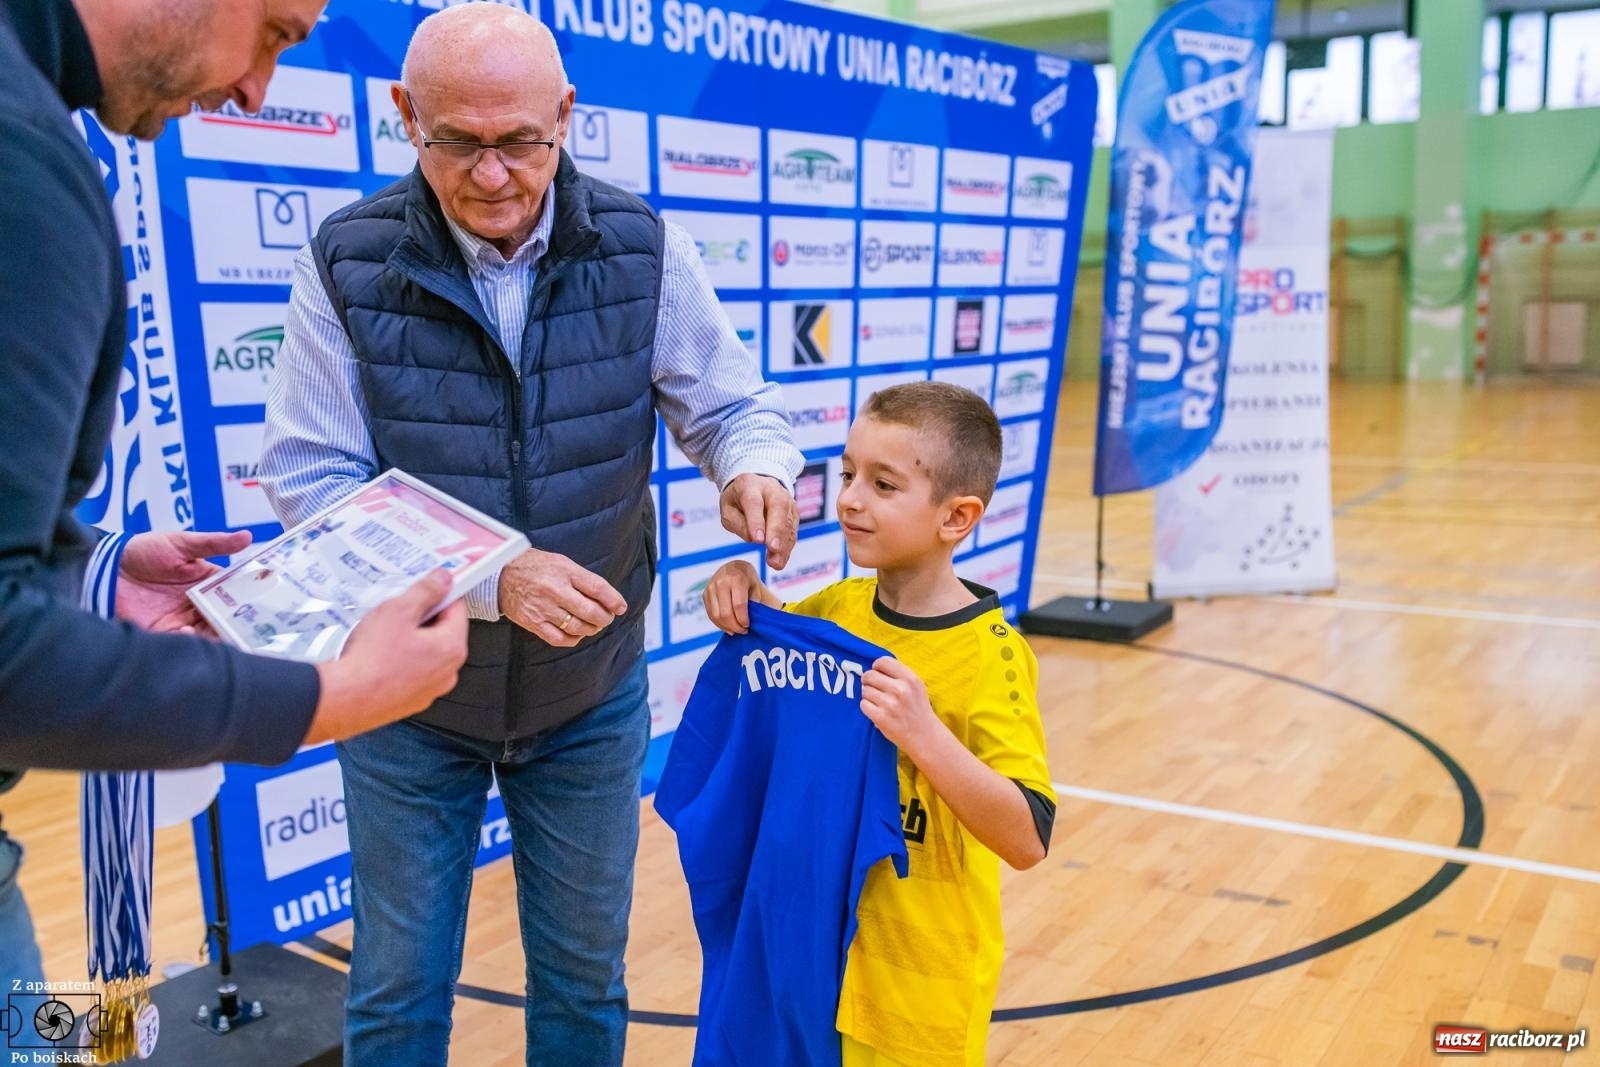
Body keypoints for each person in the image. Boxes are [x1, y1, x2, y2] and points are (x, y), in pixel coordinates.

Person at [257, 5, 803, 1062]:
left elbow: (734, 407)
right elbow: (311, 480)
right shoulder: (344, 261)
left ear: (567, 116)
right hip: (409, 700)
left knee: (584, 986)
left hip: (588, 694)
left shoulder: (646, 248)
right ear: (403, 115)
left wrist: (755, 468)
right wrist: (490, 574)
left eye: (522, 141)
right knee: (397, 992)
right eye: (458, 141)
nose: (496, 175)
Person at [0, 0, 470, 984]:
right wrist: (324, 695)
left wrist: (82, 569)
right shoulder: (23, 163)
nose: (256, 89)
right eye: (276, 32)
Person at [703, 382, 1056, 1067]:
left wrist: (924, 734)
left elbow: (1027, 835)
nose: (850, 498)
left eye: (883, 484)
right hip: (820, 968)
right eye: (847, 473)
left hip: (919, 993)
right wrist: (742, 584)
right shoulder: (838, 608)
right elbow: (777, 632)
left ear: (957, 516)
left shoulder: (995, 657)